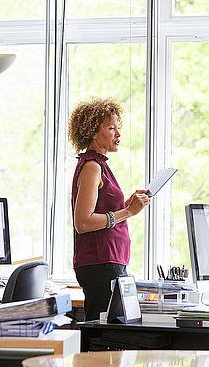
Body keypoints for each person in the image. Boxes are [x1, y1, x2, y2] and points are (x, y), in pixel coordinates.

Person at [68, 96, 150, 321]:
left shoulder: (100, 166)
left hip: (109, 263)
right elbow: (83, 222)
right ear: (94, 132)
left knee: (112, 335)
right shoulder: (92, 167)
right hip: (100, 264)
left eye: (118, 127)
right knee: (102, 336)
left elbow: (102, 213)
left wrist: (127, 205)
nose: (118, 134)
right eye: (111, 128)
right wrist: (128, 212)